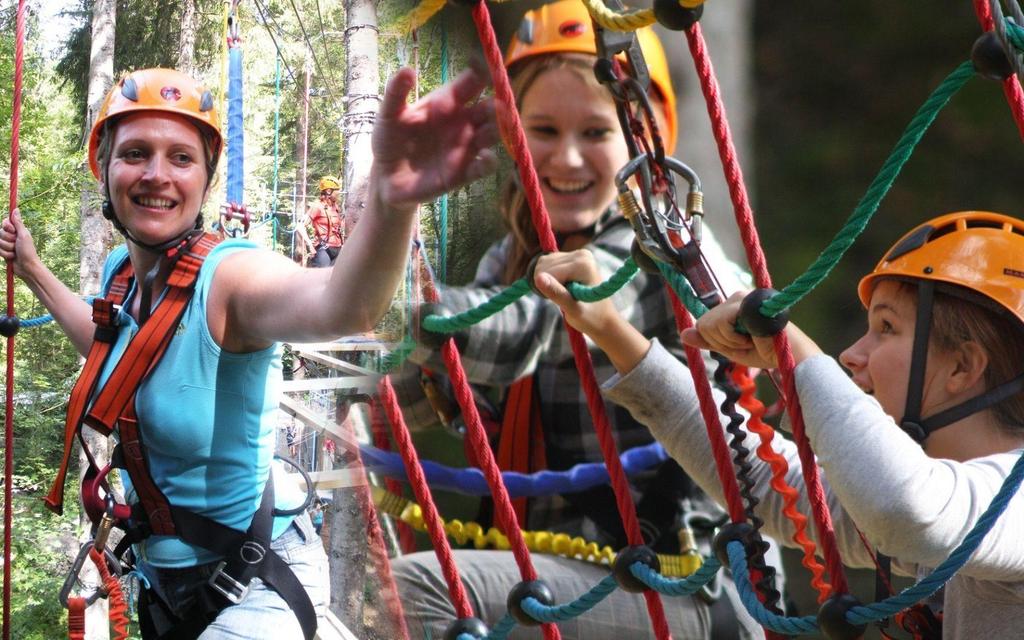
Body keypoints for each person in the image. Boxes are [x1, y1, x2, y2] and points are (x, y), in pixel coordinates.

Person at [0, 66, 497, 639]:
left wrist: (391, 198)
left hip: (260, 579)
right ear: (105, 169)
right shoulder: (122, 280)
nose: (157, 174)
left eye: (181, 158)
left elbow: (341, 304)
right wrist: (35, 270)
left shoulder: (230, 278)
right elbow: (112, 350)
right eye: (135, 153)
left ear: (205, 178)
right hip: (166, 584)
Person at [391, 2, 764, 638]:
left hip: (681, 582)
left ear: (642, 141)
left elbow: (523, 334)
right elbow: (453, 394)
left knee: (415, 589)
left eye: (594, 133)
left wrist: (393, 304)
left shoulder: (656, 249)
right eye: (544, 130)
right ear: (513, 135)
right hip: (577, 574)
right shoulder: (510, 257)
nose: (566, 159)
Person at [532, 209, 1024, 638]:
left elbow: (905, 509)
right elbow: (769, 482)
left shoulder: (1006, 500)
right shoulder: (951, 504)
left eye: (886, 329)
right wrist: (609, 329)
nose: (852, 355)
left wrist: (797, 352)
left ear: (962, 367)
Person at [297, 176, 345, 267]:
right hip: (323, 249)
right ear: (328, 191)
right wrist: (310, 246)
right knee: (323, 278)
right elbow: (300, 227)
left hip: (338, 249)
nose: (339, 193)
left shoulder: (336, 207)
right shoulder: (317, 207)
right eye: (337, 190)